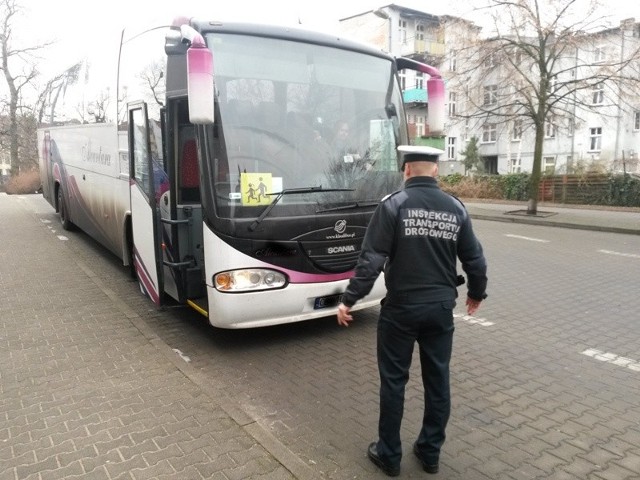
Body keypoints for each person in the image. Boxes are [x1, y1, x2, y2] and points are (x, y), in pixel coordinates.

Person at [336, 145, 488, 477]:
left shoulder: (393, 206)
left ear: (406, 171)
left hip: (401, 310)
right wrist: (477, 293)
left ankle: (389, 455)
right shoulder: (456, 209)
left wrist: (349, 300)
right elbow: (474, 258)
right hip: (439, 310)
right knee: (438, 381)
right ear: (436, 171)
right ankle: (430, 452)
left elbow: (371, 261)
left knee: (394, 381)